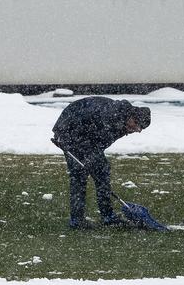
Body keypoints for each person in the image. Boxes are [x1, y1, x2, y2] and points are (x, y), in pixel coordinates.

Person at [50, 96, 151, 229]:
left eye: (140, 128)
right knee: (79, 175)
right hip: (69, 130)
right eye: (137, 125)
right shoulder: (110, 116)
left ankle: (108, 216)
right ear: (132, 117)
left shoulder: (124, 123)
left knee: (102, 172)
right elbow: (90, 136)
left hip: (86, 137)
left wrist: (93, 160)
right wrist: (86, 158)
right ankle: (77, 221)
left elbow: (101, 142)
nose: (137, 130)